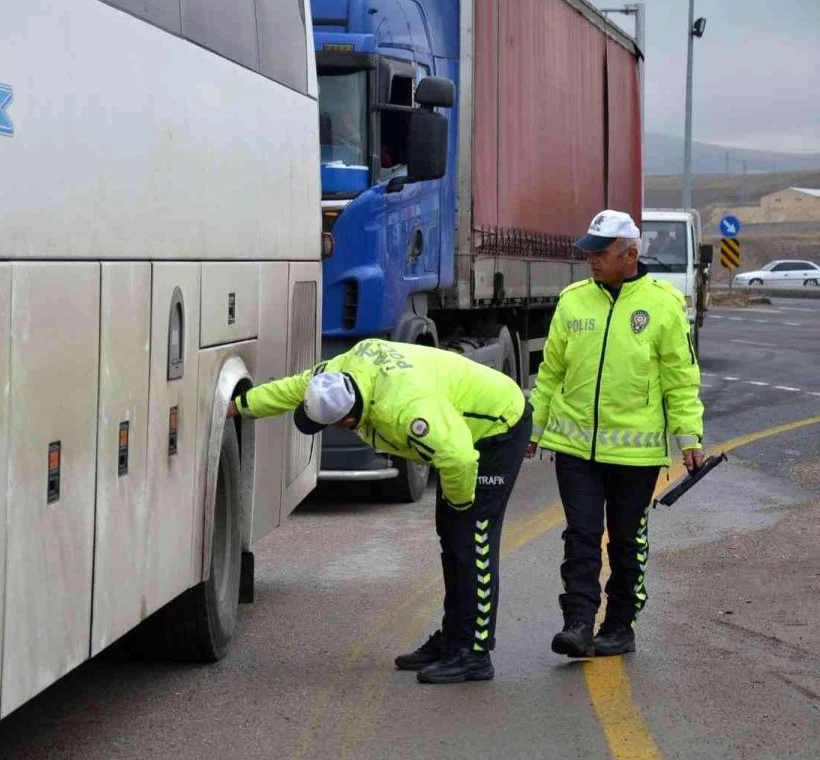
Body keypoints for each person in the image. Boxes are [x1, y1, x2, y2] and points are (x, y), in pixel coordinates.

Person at [228, 338, 531, 683]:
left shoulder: (406, 410)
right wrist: (240, 405)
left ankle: (474, 654)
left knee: (472, 537)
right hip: (458, 428)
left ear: (347, 420)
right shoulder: (340, 373)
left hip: (497, 426)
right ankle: (454, 639)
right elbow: (293, 388)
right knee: (451, 535)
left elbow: (459, 458)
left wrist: (462, 507)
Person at [526, 209, 705, 658]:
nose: (591, 260)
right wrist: (534, 427)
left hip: (635, 455)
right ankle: (578, 623)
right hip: (575, 449)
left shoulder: (663, 304)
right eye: (588, 251)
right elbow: (550, 372)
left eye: (600, 252)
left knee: (626, 540)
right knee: (581, 535)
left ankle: (620, 624)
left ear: (630, 254)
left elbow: (681, 378)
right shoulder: (572, 300)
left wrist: (690, 438)